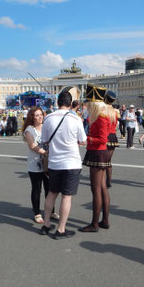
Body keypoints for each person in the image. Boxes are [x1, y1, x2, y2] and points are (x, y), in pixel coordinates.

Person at [39, 91, 87, 239]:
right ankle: (61, 229)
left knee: (51, 193)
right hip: (71, 162)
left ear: (57, 102)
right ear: (70, 103)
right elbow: (83, 140)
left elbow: (44, 140)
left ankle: (46, 224)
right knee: (67, 196)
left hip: (54, 162)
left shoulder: (49, 118)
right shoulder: (76, 119)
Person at [80, 85, 115, 232]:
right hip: (100, 152)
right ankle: (104, 220)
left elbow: (102, 139)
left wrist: (86, 138)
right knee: (102, 188)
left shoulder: (101, 117)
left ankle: (94, 224)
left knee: (96, 190)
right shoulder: (104, 114)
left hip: (98, 152)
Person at [22, 107, 56, 224]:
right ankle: (37, 212)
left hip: (48, 163)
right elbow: (32, 145)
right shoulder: (29, 130)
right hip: (35, 164)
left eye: (41, 114)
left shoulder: (46, 127)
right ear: (32, 117)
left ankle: (51, 211)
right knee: (37, 189)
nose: (40, 117)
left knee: (50, 189)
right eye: (37, 115)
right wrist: (45, 152)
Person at [104, 91, 119, 189]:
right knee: (108, 161)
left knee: (102, 161)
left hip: (105, 135)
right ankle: (108, 181)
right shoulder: (115, 112)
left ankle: (102, 180)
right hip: (113, 136)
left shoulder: (103, 111)